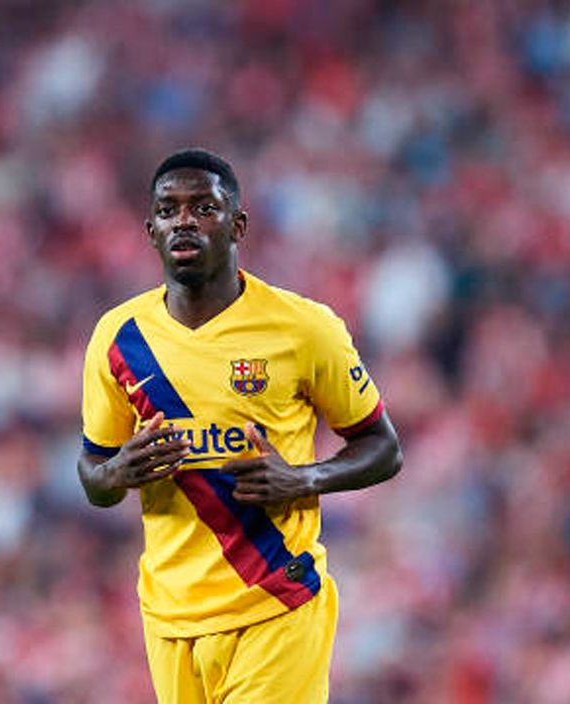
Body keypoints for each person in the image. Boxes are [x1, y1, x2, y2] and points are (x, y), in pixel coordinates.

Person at [77, 148, 402, 703]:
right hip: (170, 616)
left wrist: (306, 478)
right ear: (150, 230)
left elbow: (383, 447)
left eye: (204, 207)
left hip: (275, 600)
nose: (184, 220)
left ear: (238, 225)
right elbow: (92, 473)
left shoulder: (303, 328)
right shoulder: (117, 338)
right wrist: (116, 473)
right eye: (168, 209)